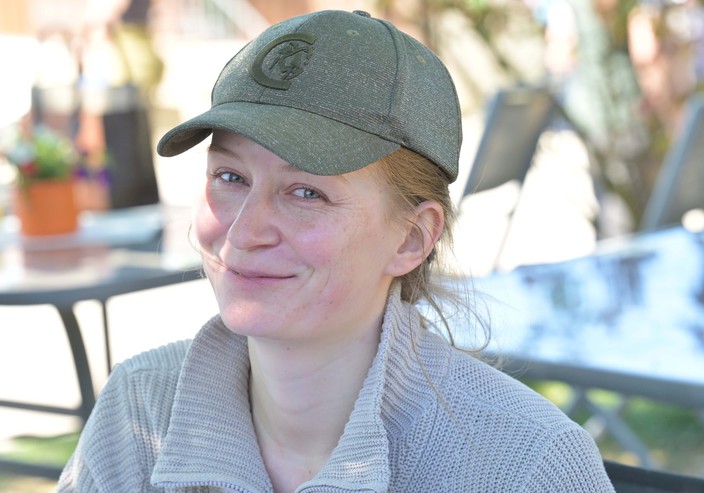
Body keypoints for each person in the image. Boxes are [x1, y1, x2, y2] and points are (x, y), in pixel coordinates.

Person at [58, 10, 615, 492]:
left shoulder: (525, 466)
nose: (244, 231)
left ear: (412, 238)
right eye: (230, 177)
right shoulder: (138, 411)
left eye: (307, 192)